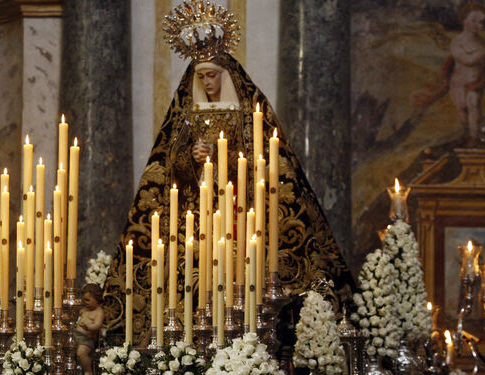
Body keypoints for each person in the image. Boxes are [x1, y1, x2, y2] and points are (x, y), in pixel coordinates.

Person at [102, 1, 355, 344]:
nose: (207, 82)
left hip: (241, 212)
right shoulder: (188, 114)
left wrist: (227, 159)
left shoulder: (247, 114)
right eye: (201, 76)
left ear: (227, 74)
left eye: (212, 75)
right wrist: (191, 157)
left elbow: (265, 162)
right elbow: (168, 167)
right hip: (196, 216)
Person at [411, 3, 485, 147]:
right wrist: (484, 51)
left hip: (474, 82)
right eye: (474, 20)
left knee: (473, 104)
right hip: (457, 83)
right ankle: (466, 133)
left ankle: (474, 138)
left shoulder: (482, 42)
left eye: (481, 22)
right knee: (462, 109)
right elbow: (467, 60)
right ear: (464, 20)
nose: (478, 25)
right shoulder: (457, 42)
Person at [74, 283, 105, 375]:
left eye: (88, 300)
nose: (85, 302)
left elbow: (98, 325)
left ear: (97, 298)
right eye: (84, 300)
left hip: (87, 339)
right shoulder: (85, 309)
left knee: (81, 353)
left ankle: (88, 371)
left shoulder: (98, 312)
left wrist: (89, 326)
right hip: (76, 336)